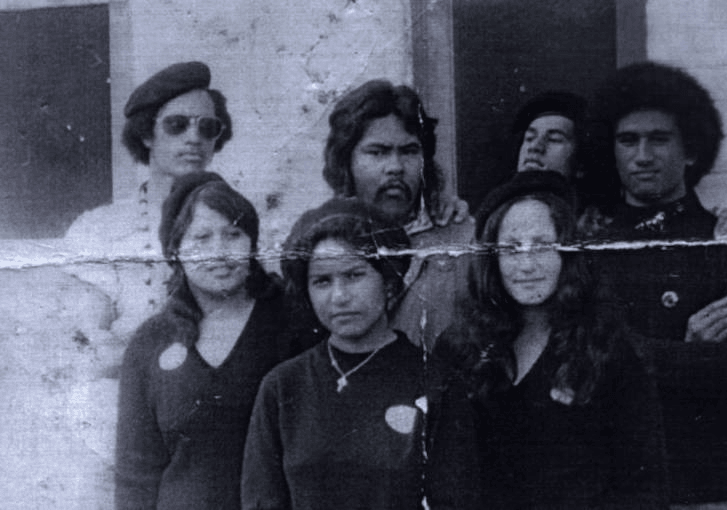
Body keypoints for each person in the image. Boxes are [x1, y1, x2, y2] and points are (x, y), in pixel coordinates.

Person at [587, 61, 727, 509]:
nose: (642, 155)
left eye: (659, 139)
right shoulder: (592, 246)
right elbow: (584, 360)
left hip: (717, 485)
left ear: (691, 150)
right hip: (620, 486)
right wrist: (690, 349)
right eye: (628, 141)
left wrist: (632, 351)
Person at [433, 170, 668, 509]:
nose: (526, 265)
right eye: (511, 249)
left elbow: (644, 486)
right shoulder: (459, 348)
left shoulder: (608, 349)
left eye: (542, 246)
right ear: (492, 260)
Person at [242, 198, 477, 509]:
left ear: (389, 282)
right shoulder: (283, 386)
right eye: (322, 281)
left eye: (354, 275)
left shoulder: (435, 382)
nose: (339, 296)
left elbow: (455, 500)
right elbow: (262, 500)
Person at [114, 172, 307, 509]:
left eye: (233, 235)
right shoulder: (150, 342)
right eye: (201, 238)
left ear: (251, 243)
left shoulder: (292, 323)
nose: (219, 252)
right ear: (176, 249)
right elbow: (136, 472)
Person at [64, 61, 233, 338]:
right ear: (146, 134)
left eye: (207, 127)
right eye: (177, 125)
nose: (194, 138)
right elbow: (92, 337)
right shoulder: (99, 228)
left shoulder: (238, 224)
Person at [320, 79, 474, 349]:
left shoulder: (466, 241)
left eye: (409, 151)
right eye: (377, 152)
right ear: (347, 162)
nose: (395, 167)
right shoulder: (321, 246)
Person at [510, 90, 727, 240]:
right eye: (529, 138)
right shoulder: (489, 224)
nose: (536, 146)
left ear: (581, 165)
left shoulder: (603, 230)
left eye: (555, 139)